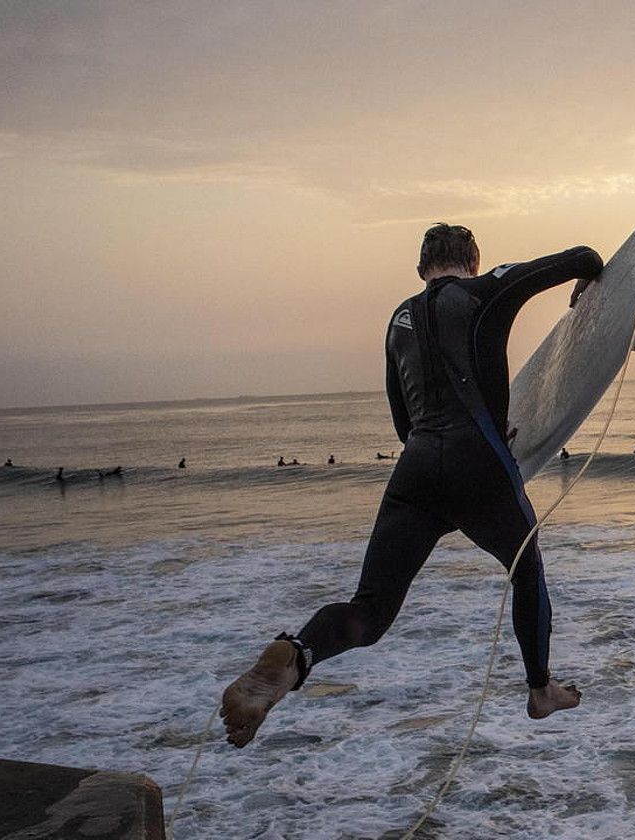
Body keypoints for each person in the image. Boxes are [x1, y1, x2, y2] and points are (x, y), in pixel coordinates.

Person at [221, 222, 602, 747]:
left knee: (370, 611)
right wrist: (585, 284)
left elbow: (404, 421)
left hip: (417, 471)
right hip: (480, 465)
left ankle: (295, 656)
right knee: (526, 570)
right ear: (472, 258)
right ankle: (541, 690)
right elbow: (582, 255)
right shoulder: (486, 287)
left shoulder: (397, 321)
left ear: (422, 267)